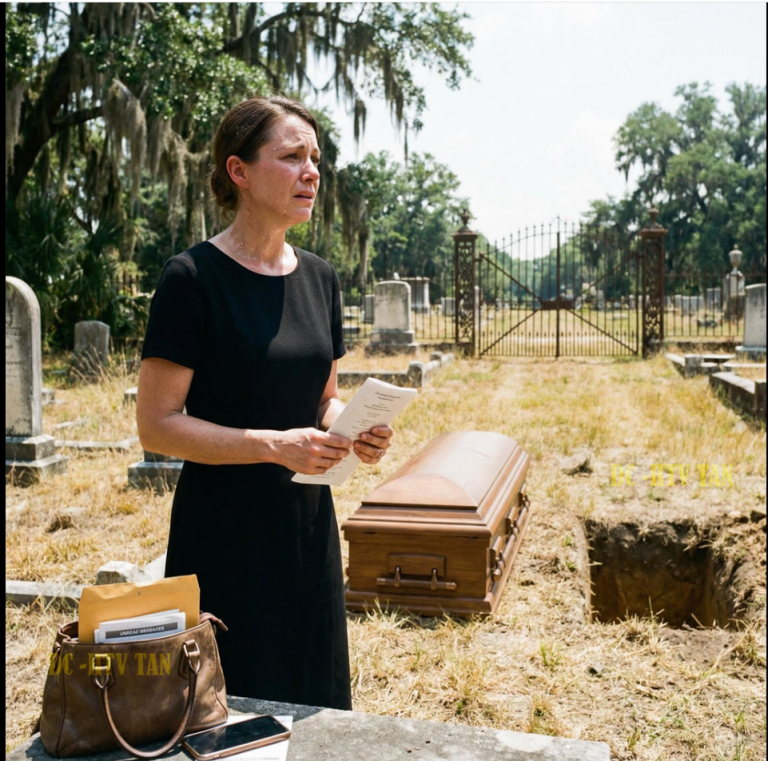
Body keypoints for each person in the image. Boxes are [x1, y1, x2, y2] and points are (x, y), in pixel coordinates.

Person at [136, 95, 393, 710]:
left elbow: (322, 399)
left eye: (316, 159)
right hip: (223, 537)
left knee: (314, 712)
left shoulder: (321, 278)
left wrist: (353, 430)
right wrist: (274, 445)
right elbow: (157, 426)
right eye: (291, 156)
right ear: (239, 172)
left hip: (307, 533)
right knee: (227, 717)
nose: (312, 172)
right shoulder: (191, 279)